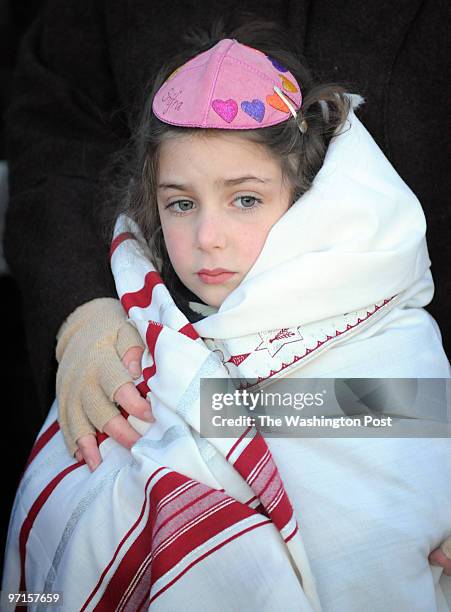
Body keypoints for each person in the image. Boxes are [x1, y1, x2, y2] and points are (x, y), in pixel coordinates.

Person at [3, 22, 451, 610]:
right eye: (181, 203)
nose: (208, 238)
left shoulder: (384, 332)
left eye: (245, 199)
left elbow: (399, 460)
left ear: (306, 200)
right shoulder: (137, 334)